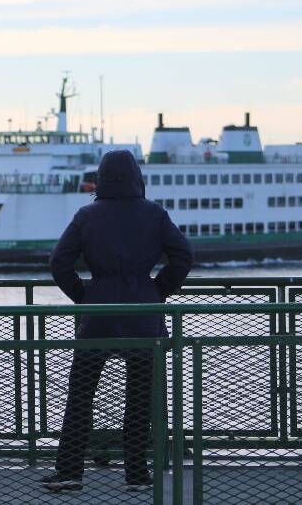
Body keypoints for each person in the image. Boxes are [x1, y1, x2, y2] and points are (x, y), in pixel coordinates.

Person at [41, 149, 193, 492]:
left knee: (81, 395)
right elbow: (183, 255)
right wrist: (158, 290)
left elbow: (58, 263)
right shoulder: (154, 214)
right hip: (144, 317)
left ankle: (69, 473)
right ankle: (137, 474)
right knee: (140, 397)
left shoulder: (87, 215)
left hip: (98, 318)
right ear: (138, 177)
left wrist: (84, 297)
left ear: (100, 178)